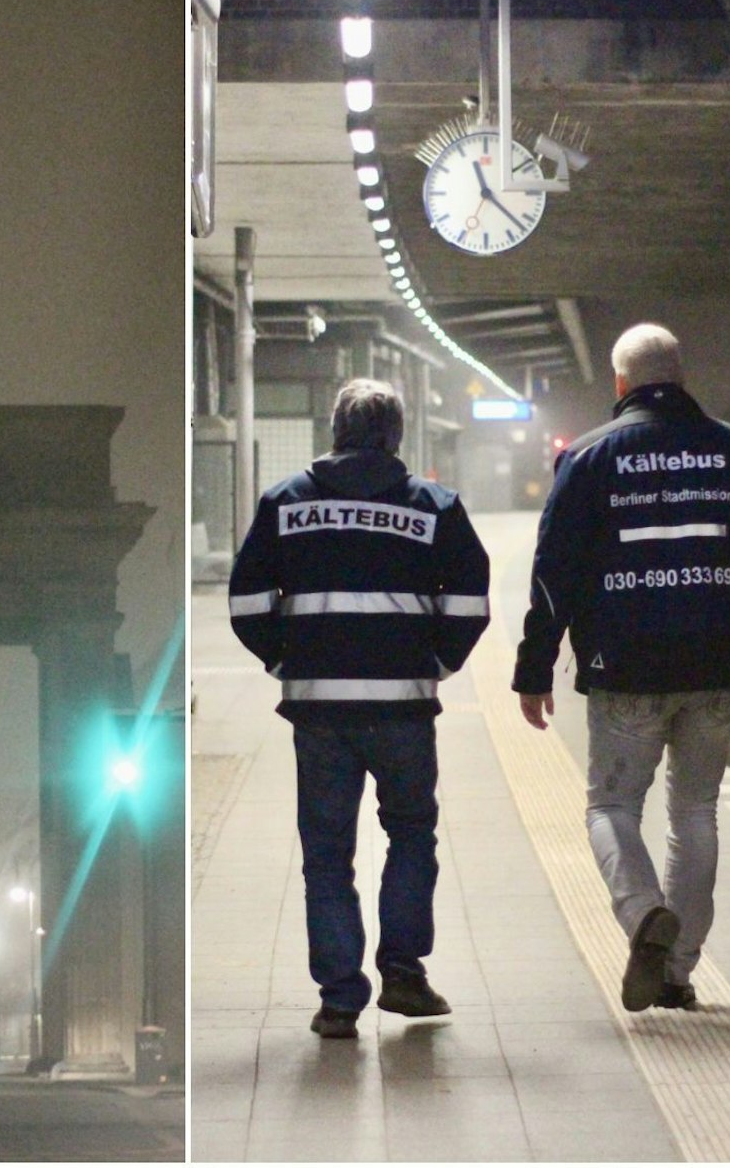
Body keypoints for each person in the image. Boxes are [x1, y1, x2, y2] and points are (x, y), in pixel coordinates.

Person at [513, 323, 730, 1012]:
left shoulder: (589, 457)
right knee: (696, 811)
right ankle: (677, 970)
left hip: (626, 668)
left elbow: (553, 575)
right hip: (717, 666)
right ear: (680, 378)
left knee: (611, 804)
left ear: (620, 384)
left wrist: (533, 669)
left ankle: (643, 909)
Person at [229, 379, 490, 1039]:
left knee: (326, 853)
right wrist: (436, 663)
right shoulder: (435, 507)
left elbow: (247, 604)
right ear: (397, 435)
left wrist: (286, 661)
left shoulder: (284, 503)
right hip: (402, 707)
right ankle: (403, 975)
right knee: (409, 834)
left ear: (335, 430)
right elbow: (468, 603)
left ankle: (340, 997)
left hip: (319, 711)